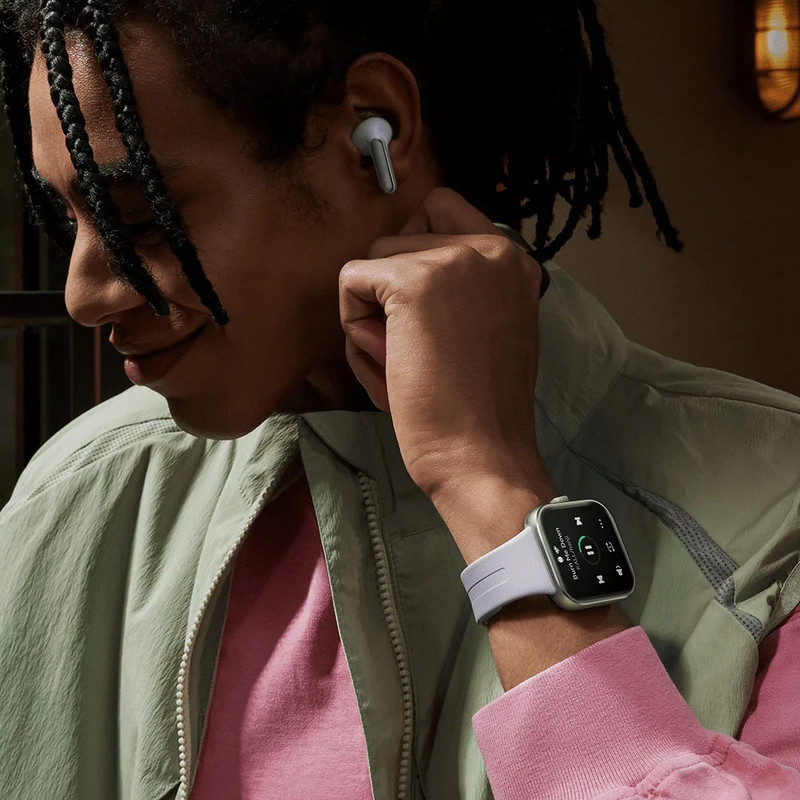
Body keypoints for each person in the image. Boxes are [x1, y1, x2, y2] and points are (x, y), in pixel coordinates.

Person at [0, 1, 798, 799]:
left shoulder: (779, 522)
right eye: (66, 217)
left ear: (373, 130)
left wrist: (487, 485)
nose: (81, 295)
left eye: (138, 218)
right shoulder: (82, 491)